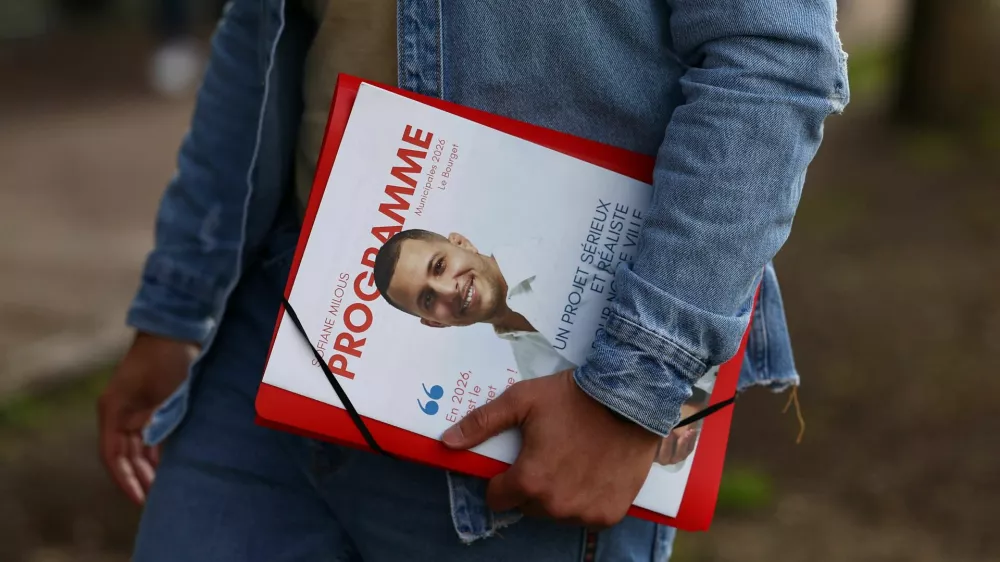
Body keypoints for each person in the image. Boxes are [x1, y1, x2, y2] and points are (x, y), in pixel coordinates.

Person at [97, 0, 848, 560]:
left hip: (544, 419)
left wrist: (632, 392)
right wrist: (177, 304)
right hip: (272, 341)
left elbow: (774, 58)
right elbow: (261, 27)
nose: (449, 289)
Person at [373, 227, 714, 472]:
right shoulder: (532, 378)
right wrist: (655, 443)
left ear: (461, 243)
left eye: (439, 266)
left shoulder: (571, 234)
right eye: (428, 299)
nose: (449, 289)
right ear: (435, 323)